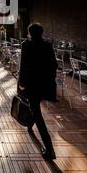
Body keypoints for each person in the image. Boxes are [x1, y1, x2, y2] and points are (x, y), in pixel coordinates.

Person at [18, 23, 58, 161]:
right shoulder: (48, 45)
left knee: (38, 114)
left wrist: (20, 84)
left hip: (32, 85)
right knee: (34, 107)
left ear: (29, 32)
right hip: (45, 84)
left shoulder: (26, 45)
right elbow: (55, 65)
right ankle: (30, 125)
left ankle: (50, 149)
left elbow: (23, 66)